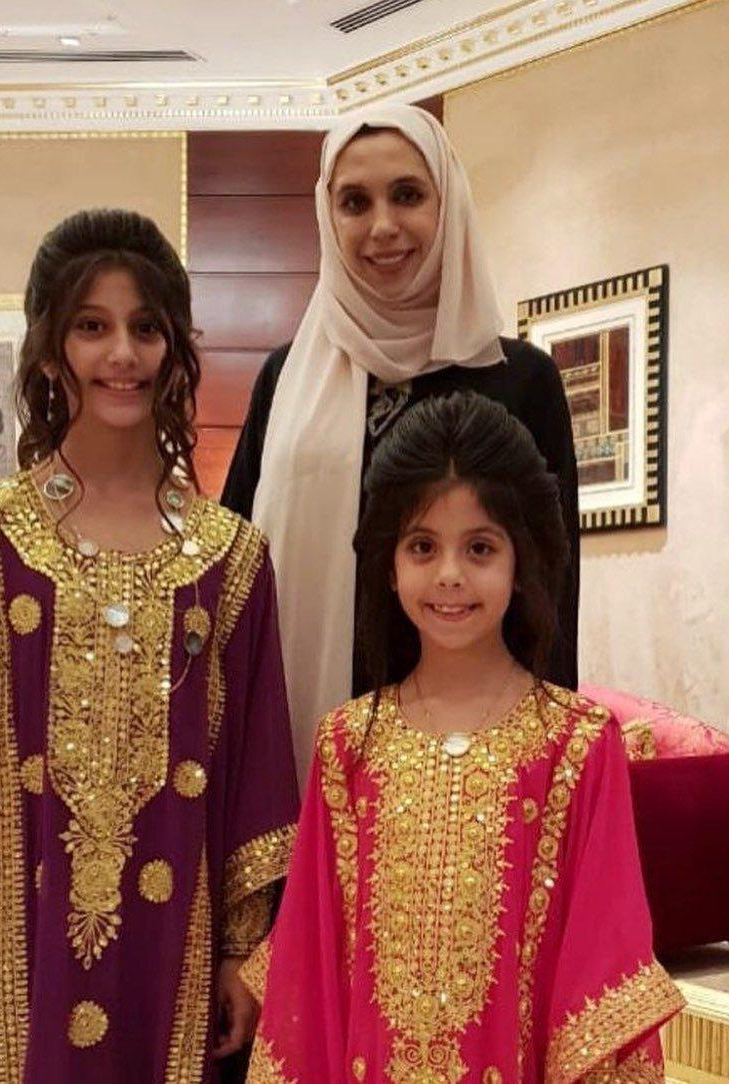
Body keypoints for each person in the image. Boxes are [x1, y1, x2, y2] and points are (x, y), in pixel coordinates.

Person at [0, 209, 299, 1082]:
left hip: (176, 958)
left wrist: (240, 954)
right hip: (17, 957)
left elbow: (256, 769)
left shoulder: (229, 556)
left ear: (174, 349)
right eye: (91, 327)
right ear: (50, 350)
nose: (122, 354)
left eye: (145, 328)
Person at [242, 393, 682, 1082]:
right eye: (423, 546)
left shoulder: (574, 746)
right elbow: (313, 967)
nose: (449, 573)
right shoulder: (348, 744)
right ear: (390, 565)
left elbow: (598, 971)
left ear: (520, 561)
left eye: (479, 547)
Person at [222, 104, 579, 786]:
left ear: (448, 204)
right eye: (355, 202)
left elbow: (551, 594)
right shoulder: (285, 380)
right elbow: (238, 571)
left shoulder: (517, 380)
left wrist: (546, 766)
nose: (382, 226)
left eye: (407, 195)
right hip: (304, 734)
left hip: (474, 750)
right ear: (328, 216)